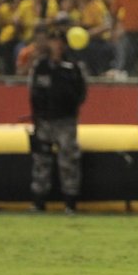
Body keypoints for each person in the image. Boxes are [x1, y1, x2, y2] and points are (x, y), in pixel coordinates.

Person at [29, 28, 87, 214]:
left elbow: (82, 92)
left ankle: (70, 202)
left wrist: (70, 107)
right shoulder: (40, 66)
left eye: (59, 41)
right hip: (44, 120)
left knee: (68, 161)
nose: (56, 45)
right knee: (41, 161)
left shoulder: (73, 66)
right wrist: (37, 118)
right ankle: (39, 201)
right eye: (53, 41)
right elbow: (33, 93)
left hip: (65, 121)